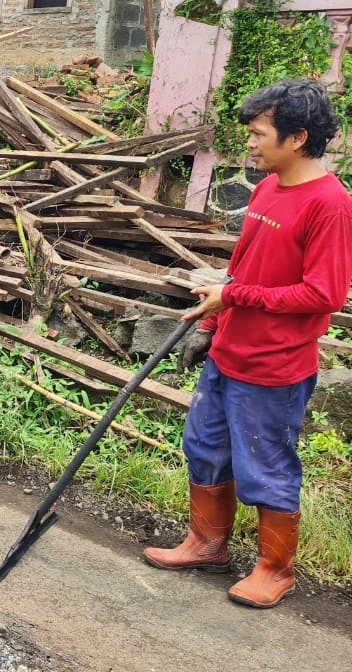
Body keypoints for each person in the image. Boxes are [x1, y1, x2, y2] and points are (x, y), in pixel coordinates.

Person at [145, 78, 352, 608]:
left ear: (298, 137)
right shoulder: (267, 189)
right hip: (229, 352)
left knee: (265, 466)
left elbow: (324, 294)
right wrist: (213, 324)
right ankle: (206, 544)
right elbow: (242, 269)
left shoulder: (329, 204)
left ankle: (275, 570)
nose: (251, 143)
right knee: (204, 448)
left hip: (275, 367)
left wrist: (234, 295)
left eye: (260, 134)